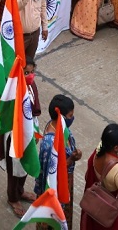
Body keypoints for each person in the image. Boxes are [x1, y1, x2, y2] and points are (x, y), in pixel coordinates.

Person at [36, 95, 81, 227]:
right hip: (56, 186)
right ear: (61, 116)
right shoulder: (50, 143)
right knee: (54, 219)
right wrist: (71, 159)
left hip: (66, 180)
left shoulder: (61, 127)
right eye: (70, 115)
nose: (72, 118)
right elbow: (52, 172)